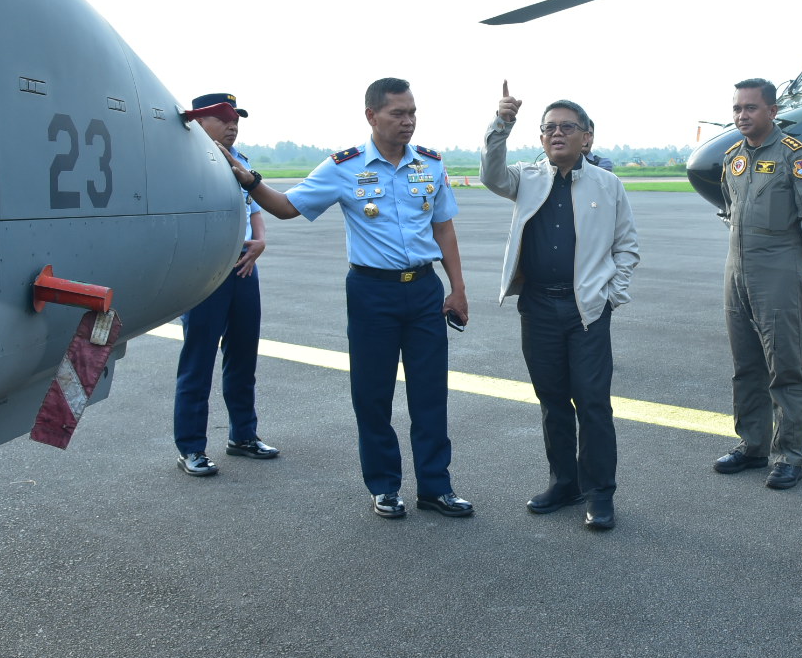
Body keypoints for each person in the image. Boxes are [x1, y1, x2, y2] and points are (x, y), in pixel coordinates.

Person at [228, 78, 473, 520]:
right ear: (371, 116)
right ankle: (384, 487)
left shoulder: (431, 165)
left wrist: (458, 288)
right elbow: (287, 207)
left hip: (424, 289)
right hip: (371, 292)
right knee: (372, 394)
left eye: (412, 112)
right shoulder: (344, 166)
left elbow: (444, 229)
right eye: (398, 113)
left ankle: (436, 487)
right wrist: (251, 181)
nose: (408, 121)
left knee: (431, 393)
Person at [482, 83, 640, 530]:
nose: (557, 134)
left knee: (592, 403)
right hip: (537, 308)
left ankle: (600, 494)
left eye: (567, 127)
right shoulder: (526, 178)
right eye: (548, 128)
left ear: (587, 137)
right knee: (552, 400)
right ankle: (563, 482)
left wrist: (612, 292)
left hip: (586, 311)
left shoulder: (607, 185)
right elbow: (490, 174)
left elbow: (627, 245)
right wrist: (502, 124)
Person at [712, 78, 802, 490]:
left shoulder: (793, 157)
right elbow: (730, 207)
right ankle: (752, 444)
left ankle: (789, 456)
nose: (742, 116)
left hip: (778, 267)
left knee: (785, 366)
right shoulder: (732, 158)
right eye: (737, 109)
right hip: (736, 269)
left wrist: (800, 259)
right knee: (746, 364)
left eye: (751, 108)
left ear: (772, 111)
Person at [172, 93, 279, 476]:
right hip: (206, 273)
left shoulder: (242, 162)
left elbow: (255, 208)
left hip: (244, 270)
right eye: (223, 118)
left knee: (243, 356)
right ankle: (190, 447)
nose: (233, 124)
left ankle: (243, 435)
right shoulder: (184, 163)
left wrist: (260, 239)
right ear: (198, 121)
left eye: (236, 118)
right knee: (198, 360)